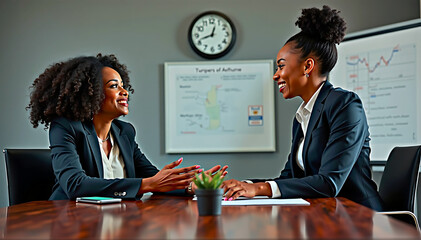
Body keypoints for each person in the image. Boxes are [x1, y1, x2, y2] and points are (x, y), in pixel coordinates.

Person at [222, 5, 383, 211]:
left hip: (360, 218)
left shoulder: (345, 105)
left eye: (281, 66)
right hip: (326, 215)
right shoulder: (302, 117)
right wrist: (246, 186)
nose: (275, 75)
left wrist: (260, 188)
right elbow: (289, 178)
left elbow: (329, 183)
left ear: (307, 66)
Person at [27, 53, 227, 200]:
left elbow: (154, 178)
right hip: (70, 222)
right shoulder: (66, 128)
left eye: (123, 85)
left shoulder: (125, 132)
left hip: (120, 221)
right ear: (90, 94)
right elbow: (75, 185)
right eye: (114, 86)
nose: (125, 92)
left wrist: (191, 185)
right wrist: (147, 185)